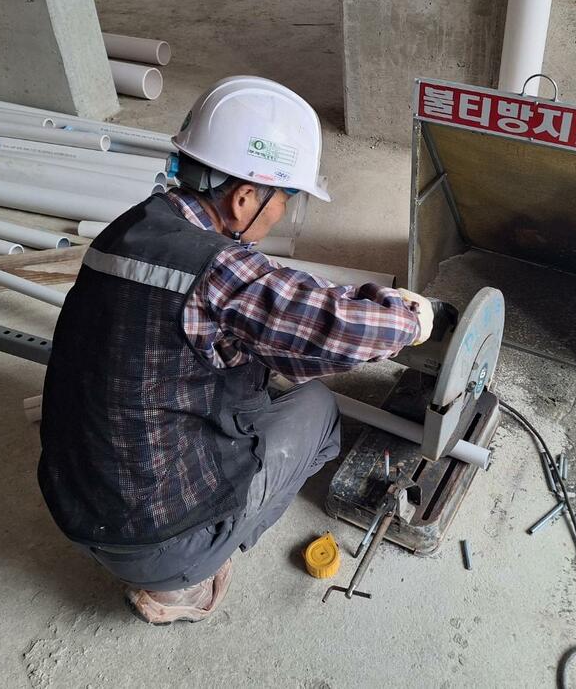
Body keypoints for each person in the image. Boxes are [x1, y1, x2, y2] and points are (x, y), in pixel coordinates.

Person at [38, 76, 435, 624]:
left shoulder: (127, 229)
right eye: (285, 200)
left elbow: (259, 298)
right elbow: (337, 329)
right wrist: (411, 320)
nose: (282, 214)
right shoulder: (222, 270)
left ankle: (169, 555)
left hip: (74, 502)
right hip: (158, 542)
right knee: (318, 409)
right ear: (245, 197)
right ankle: (187, 576)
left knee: (246, 378)